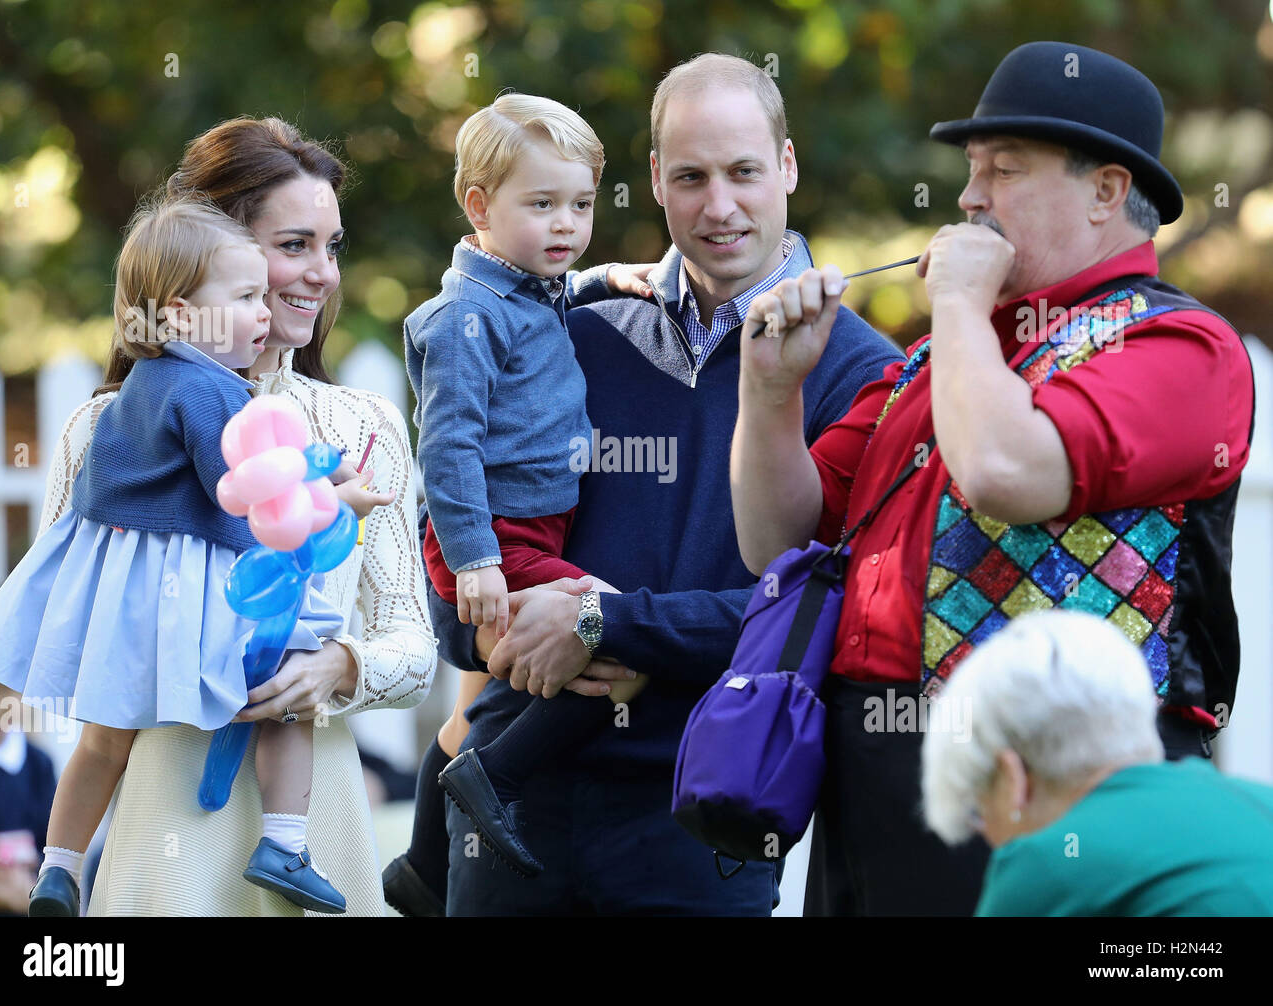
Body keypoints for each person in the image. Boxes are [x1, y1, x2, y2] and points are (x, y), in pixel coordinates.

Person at [732, 42, 1256, 916]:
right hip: (871, 774)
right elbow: (774, 540)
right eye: (971, 172)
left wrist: (965, 308)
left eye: (1003, 171)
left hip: (1053, 783)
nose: (969, 200)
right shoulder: (944, 355)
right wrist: (771, 393)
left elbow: (1006, 472)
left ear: (1107, 192)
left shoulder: (1183, 345)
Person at [412, 54, 902, 916]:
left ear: (786, 166)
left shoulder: (863, 373)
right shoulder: (571, 331)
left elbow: (827, 610)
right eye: (691, 177)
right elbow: (456, 543)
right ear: (654, 182)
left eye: (745, 171)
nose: (719, 206)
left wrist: (614, 627)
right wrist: (491, 633)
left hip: (704, 813)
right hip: (513, 792)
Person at [42, 117, 437, 916]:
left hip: (311, 814)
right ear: (211, 252)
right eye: (294, 245)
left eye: (332, 246)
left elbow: (415, 647)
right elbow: (67, 634)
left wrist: (338, 668)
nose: (322, 273)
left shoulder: (361, 427)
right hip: (165, 818)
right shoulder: (101, 433)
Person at [0, 198, 350, 915]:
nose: (260, 313)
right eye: (245, 298)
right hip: (195, 594)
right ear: (183, 316)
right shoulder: (211, 390)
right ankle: (282, 841)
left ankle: (58, 868)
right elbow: (241, 493)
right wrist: (335, 497)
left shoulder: (135, 388)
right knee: (282, 696)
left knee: (101, 741)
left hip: (125, 594)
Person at [403, 93, 655, 880]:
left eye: (580, 205)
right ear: (478, 206)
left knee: (519, 674)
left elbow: (558, 295)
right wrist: (476, 561)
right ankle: (494, 773)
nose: (566, 226)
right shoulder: (461, 319)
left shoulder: (528, 290)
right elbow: (447, 448)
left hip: (533, 528)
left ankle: (420, 865)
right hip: (492, 536)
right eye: (541, 205)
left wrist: (607, 274)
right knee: (612, 626)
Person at [923, 609, 1273, 916]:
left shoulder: (1044, 863)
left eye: (977, 812)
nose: (986, 835)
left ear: (1011, 777)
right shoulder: (1258, 802)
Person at [0, 591, 57, 916]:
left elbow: (53, 848)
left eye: (17, 688)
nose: (6, 704)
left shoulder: (39, 767)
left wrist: (35, 885)